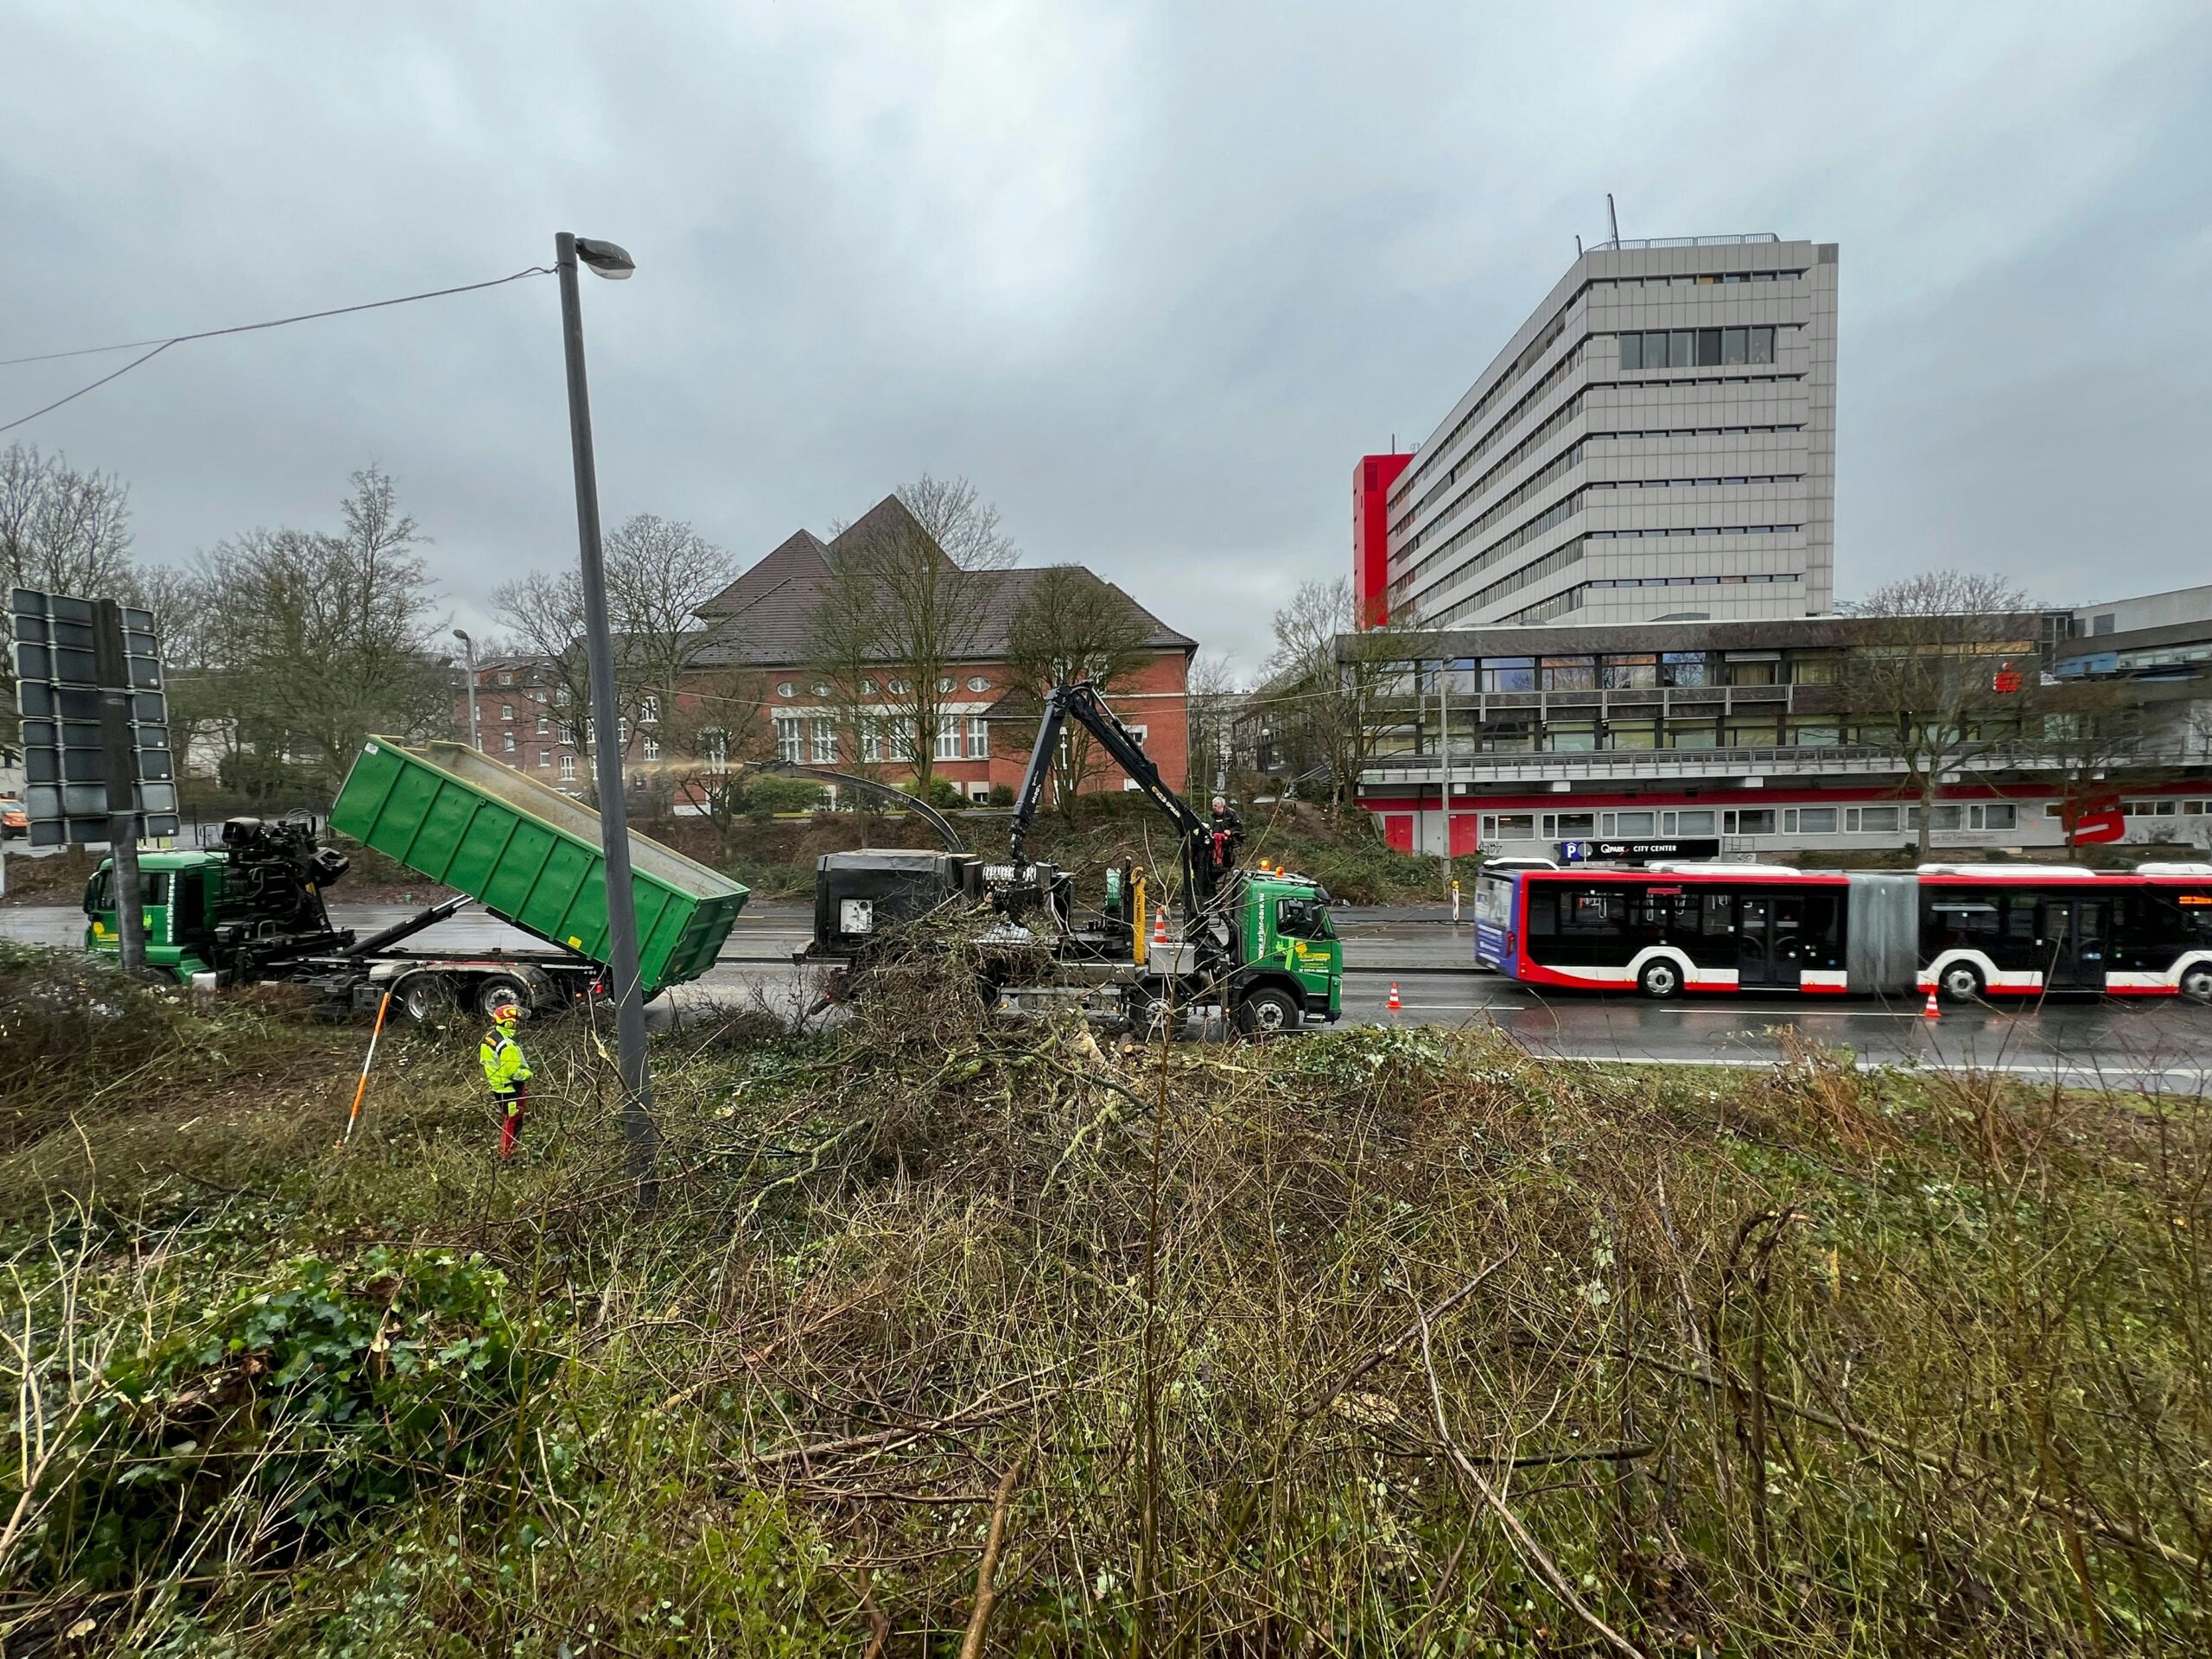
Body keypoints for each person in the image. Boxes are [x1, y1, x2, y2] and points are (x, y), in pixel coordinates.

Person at [480, 1001, 533, 1159]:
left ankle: (508, 1152)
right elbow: (514, 1073)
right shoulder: (507, 1045)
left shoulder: (490, 1037)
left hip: (499, 1087)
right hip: (510, 1089)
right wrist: (528, 1074)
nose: (518, 1023)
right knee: (513, 1122)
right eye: (516, 1021)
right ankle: (507, 1155)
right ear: (509, 1023)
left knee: (509, 1120)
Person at [1208, 794, 1244, 868]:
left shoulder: (1231, 813)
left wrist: (1230, 831)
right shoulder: (1214, 816)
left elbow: (1239, 826)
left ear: (1222, 806)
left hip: (1227, 838)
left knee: (1217, 836)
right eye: (1213, 806)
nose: (1213, 808)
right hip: (1214, 836)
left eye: (1215, 806)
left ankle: (1219, 861)